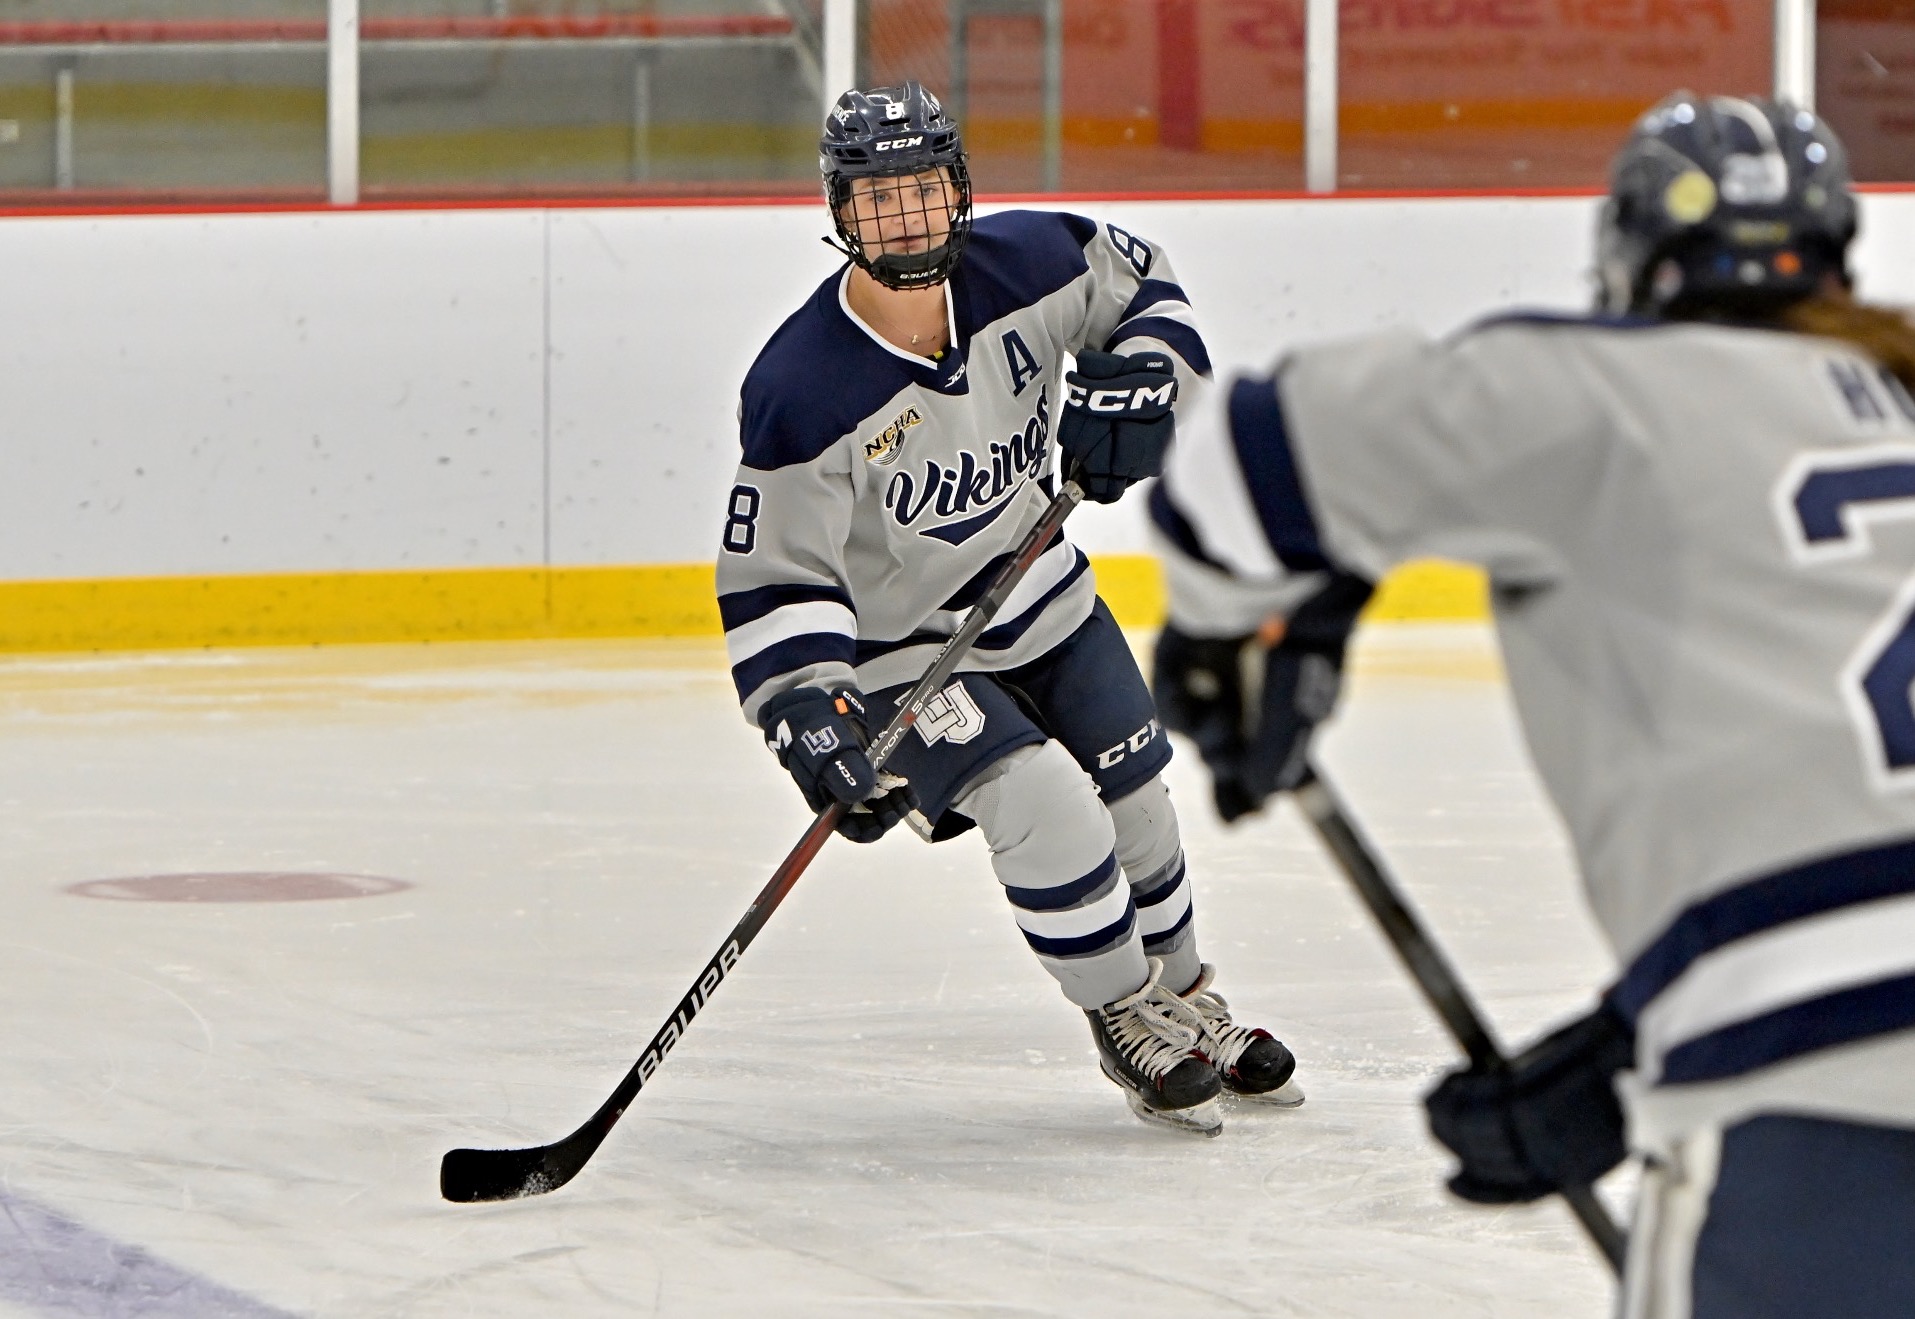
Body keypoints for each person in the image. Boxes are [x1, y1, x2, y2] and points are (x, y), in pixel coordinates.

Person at [1149, 92, 1915, 1313]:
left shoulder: (1596, 382)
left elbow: (1236, 459)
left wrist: (1239, 641)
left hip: (1803, 1093)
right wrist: (1622, 1053)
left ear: (1629, 251)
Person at [716, 80, 1303, 1136]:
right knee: (1047, 804)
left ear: (958, 189)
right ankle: (1124, 1010)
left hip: (1045, 601)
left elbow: (1142, 285)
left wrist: (1146, 378)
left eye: (923, 190)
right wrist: (808, 708)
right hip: (907, 660)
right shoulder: (801, 385)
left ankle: (1182, 994)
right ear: (840, 213)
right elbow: (776, 573)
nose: (905, 218)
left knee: (1137, 802)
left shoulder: (1030, 265)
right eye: (877, 199)